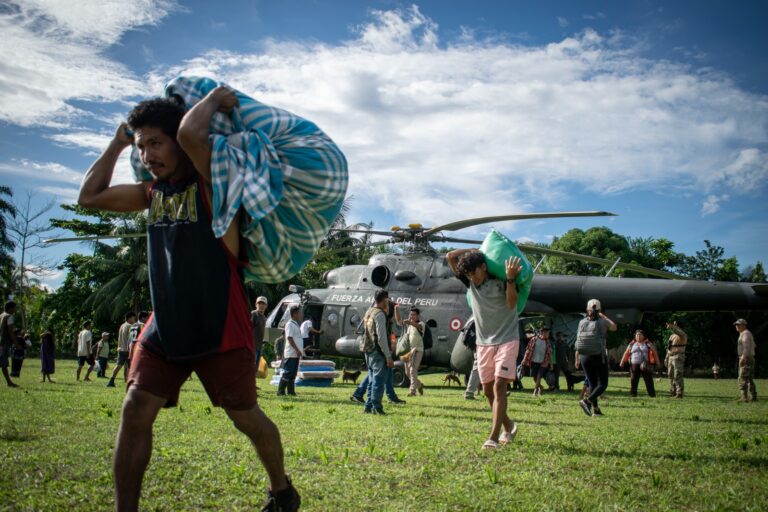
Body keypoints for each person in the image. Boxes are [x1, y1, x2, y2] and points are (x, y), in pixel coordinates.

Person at [77, 92, 299, 511]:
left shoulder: (212, 186)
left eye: (155, 143)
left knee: (246, 417)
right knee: (134, 409)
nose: (147, 154)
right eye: (141, 146)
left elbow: (193, 133)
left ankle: (282, 491)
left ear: (177, 143)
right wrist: (118, 142)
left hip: (220, 325)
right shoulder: (151, 194)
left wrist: (215, 98)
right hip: (166, 326)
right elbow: (89, 197)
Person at [447, 248, 521, 450]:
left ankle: (494, 437)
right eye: (469, 275)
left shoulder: (502, 282)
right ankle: (509, 425)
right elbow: (450, 257)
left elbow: (512, 303)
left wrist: (511, 279)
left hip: (507, 339)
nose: (473, 278)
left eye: (475, 273)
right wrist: (478, 250)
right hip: (483, 343)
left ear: (484, 267)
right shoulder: (471, 284)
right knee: (487, 390)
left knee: (499, 386)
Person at [574, 299, 617, 417]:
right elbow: (614, 327)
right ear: (599, 310)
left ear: (587, 310)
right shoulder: (602, 322)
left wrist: (576, 358)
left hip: (584, 356)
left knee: (592, 383)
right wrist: (604, 316)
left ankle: (596, 410)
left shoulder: (582, 322)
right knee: (603, 383)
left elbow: (578, 339)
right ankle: (587, 401)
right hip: (598, 355)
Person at [357, 289, 394, 415]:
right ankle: (377, 408)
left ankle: (368, 406)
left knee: (372, 381)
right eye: (387, 300)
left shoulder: (369, 311)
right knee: (378, 382)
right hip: (378, 352)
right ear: (384, 300)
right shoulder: (380, 314)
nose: (388, 302)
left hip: (368, 350)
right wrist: (388, 356)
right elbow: (382, 337)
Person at [395, 305, 425, 397]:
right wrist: (396, 310)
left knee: (413, 370)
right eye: (411, 314)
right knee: (408, 372)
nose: (412, 316)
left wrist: (410, 322)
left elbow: (418, 326)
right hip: (409, 351)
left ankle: (412, 391)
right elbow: (399, 321)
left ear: (418, 316)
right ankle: (419, 385)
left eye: (414, 315)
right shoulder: (409, 325)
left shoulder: (421, 324)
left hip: (418, 350)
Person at [619, 330, 659, 397]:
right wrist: (622, 362)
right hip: (634, 365)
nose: (638, 336)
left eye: (640, 335)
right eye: (637, 335)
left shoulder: (648, 344)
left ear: (643, 336)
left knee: (648, 380)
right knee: (633, 380)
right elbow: (626, 353)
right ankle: (633, 394)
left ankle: (652, 395)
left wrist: (658, 362)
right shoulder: (631, 344)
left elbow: (654, 353)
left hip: (645, 365)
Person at [278, 306, 303, 396]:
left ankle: (291, 391)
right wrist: (296, 349)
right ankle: (280, 391)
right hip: (291, 353)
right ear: (295, 314)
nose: (300, 314)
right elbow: (289, 337)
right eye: (299, 313)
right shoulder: (289, 324)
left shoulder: (295, 323)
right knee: (288, 372)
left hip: (295, 353)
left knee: (293, 373)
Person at [522, 327, 553, 397]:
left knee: (539, 376)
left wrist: (551, 364)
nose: (548, 334)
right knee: (534, 377)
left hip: (543, 362)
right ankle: (540, 387)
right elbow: (528, 350)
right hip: (533, 361)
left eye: (548, 333)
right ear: (542, 333)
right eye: (547, 333)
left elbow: (550, 353)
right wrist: (524, 359)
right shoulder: (534, 339)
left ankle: (535, 391)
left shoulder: (547, 342)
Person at [108, 313, 136, 387]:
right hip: (127, 350)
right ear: (129, 318)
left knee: (119, 365)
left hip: (121, 349)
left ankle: (111, 380)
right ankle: (129, 382)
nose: (134, 319)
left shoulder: (122, 325)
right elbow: (131, 339)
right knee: (130, 366)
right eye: (133, 318)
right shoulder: (130, 326)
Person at [734, 318, 756, 402]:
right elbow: (754, 346)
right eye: (736, 324)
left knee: (742, 377)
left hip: (746, 358)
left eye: (738, 324)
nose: (736, 326)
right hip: (750, 357)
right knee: (749, 378)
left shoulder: (745, 334)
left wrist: (743, 357)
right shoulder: (747, 333)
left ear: (744, 325)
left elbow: (746, 347)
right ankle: (753, 396)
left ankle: (744, 397)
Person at [664, 321, 687, 399]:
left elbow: (678, 331)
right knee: (670, 375)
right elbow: (669, 347)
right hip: (671, 356)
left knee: (677, 375)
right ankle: (673, 392)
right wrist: (666, 358)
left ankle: (679, 393)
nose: (674, 325)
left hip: (678, 356)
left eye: (675, 324)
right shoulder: (672, 336)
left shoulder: (683, 335)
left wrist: (672, 327)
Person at [0, 301, 20, 387]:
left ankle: (9, 382)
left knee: (2, 363)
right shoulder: (9, 317)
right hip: (4, 343)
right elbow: (10, 331)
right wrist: (16, 343)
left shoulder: (1, 315)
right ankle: (9, 382)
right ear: (10, 308)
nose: (15, 310)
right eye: (14, 308)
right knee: (4, 363)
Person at [251, 296, 268, 372]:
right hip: (252, 346)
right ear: (256, 304)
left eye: (263, 304)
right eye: (259, 303)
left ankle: (252, 384)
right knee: (251, 368)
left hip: (259, 346)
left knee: (255, 369)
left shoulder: (264, 318)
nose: (261, 305)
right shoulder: (254, 314)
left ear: (266, 306)